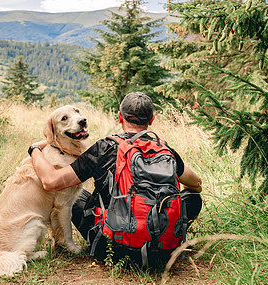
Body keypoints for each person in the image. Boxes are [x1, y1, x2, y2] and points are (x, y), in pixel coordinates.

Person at [29, 92, 202, 267]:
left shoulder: (103, 148)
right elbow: (197, 184)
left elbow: (51, 181)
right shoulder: (165, 150)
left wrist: (34, 149)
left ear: (120, 117)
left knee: (76, 197)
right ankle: (165, 237)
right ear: (152, 120)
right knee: (193, 197)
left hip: (111, 249)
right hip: (163, 251)